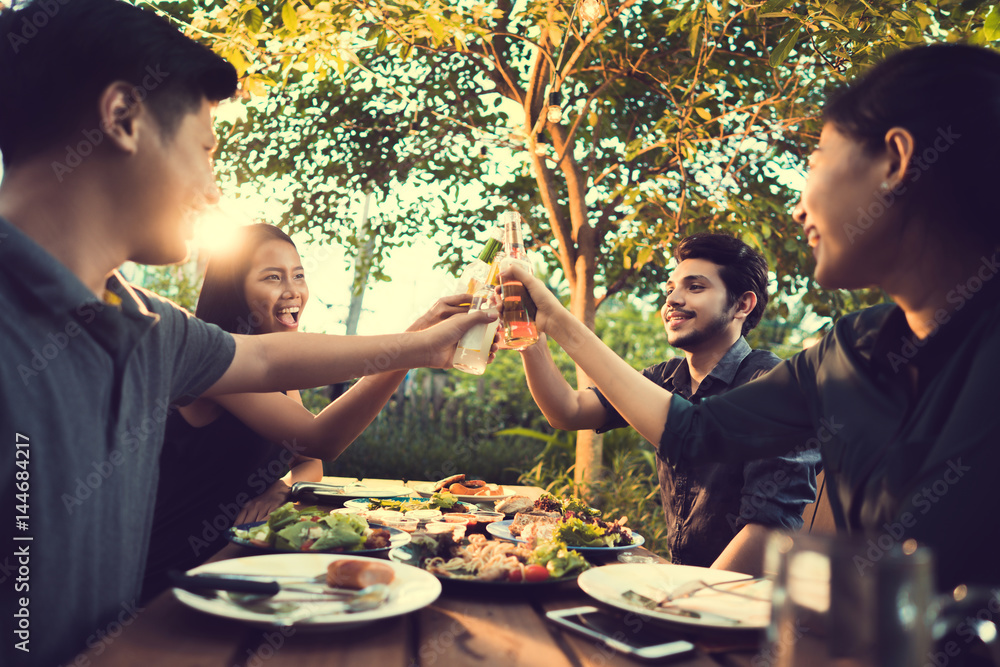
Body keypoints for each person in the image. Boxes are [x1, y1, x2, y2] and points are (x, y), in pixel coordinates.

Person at [0, 2, 494, 664]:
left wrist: (425, 344)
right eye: (204, 150)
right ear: (123, 119)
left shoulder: (151, 327)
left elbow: (265, 362)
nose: (211, 186)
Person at [505, 43, 1000, 591]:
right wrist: (538, 322)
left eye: (814, 163)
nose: (798, 208)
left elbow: (772, 527)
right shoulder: (843, 354)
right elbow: (692, 433)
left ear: (895, 162)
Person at [141, 224, 474, 600]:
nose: (292, 290)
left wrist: (281, 487)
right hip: (177, 578)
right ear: (235, 290)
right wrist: (418, 348)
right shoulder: (218, 365)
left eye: (298, 275)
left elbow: (308, 458)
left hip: (241, 562)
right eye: (272, 277)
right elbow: (322, 438)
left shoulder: (278, 368)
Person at [519, 233, 819, 574]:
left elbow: (766, 532)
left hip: (740, 602)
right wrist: (527, 333)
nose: (673, 300)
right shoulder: (665, 379)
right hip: (678, 578)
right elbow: (568, 410)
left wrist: (686, 604)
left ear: (742, 305)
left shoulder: (775, 387)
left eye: (695, 287)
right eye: (670, 289)